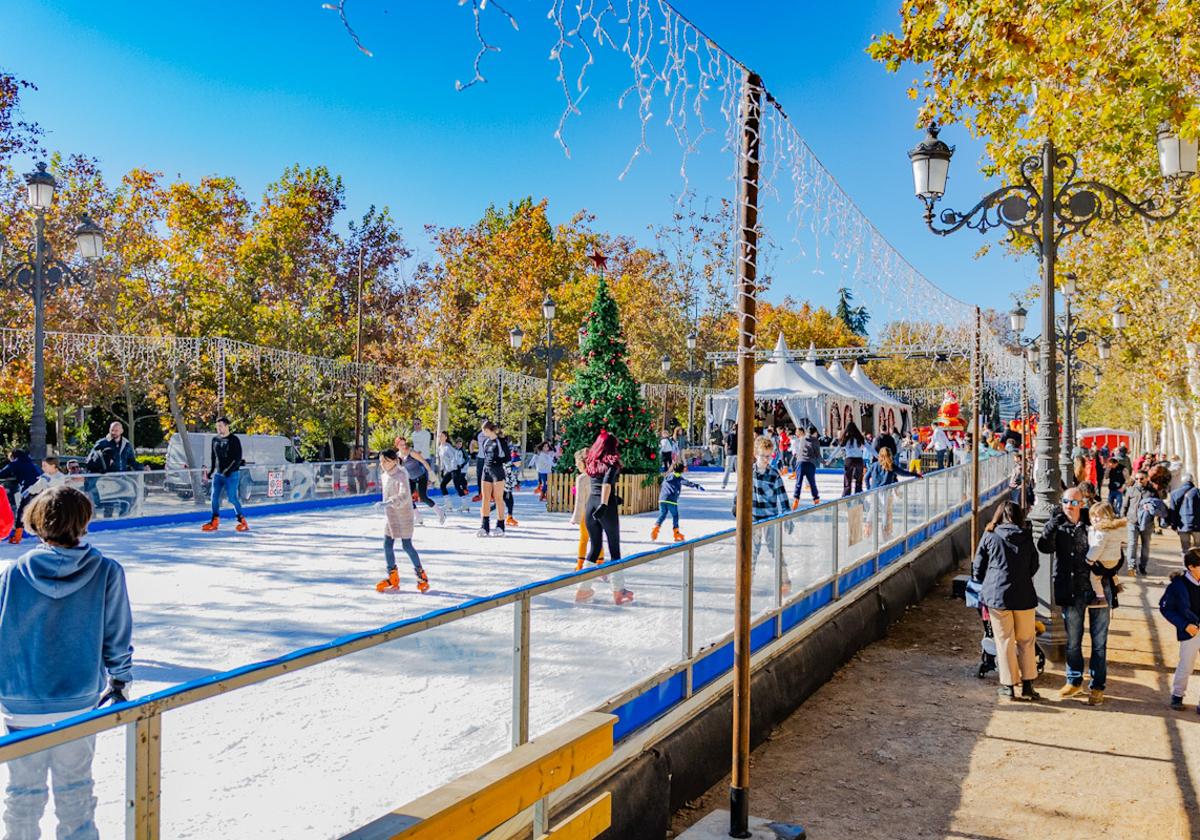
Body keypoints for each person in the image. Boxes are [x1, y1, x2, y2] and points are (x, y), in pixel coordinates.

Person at [0, 485, 133, 839]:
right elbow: (117, 636)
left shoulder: (13, 574)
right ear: (84, 521)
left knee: (22, 796)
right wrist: (119, 682)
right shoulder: (106, 571)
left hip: (21, 702)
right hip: (77, 702)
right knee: (75, 795)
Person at [1039, 486, 1115, 705]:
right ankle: (1073, 681)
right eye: (1065, 502)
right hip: (1071, 589)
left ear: (1083, 503)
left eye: (1074, 502)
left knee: (1099, 641)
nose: (1069, 507)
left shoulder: (1094, 520)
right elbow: (1044, 546)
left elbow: (1113, 549)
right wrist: (1052, 524)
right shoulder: (1057, 523)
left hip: (1098, 588)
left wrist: (1108, 569)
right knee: (1073, 641)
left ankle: (1097, 686)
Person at [973, 501, 1041, 701]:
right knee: (1027, 640)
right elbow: (1034, 565)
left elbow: (978, 567)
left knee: (1004, 641)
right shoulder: (1026, 536)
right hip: (1024, 595)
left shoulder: (990, 535)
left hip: (997, 596)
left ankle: (1008, 686)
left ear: (999, 516)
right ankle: (1028, 684)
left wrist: (985, 579)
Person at [576, 430, 633, 605]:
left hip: (590, 505)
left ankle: (583, 590)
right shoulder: (612, 462)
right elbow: (607, 484)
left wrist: (608, 499)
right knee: (614, 550)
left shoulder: (592, 461)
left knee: (595, 547)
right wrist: (605, 504)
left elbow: (597, 484)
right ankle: (618, 590)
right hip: (604, 507)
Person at [375, 448, 429, 593]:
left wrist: (389, 502)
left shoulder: (401, 474)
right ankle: (392, 576)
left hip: (404, 515)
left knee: (406, 545)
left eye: (386, 461)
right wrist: (386, 505)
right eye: (381, 461)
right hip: (391, 515)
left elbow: (405, 495)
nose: (383, 464)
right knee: (387, 544)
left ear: (394, 461)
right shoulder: (384, 475)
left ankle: (421, 576)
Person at [749, 435, 792, 596]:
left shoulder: (774, 474)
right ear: (755, 454)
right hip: (753, 519)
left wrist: (786, 516)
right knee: (751, 552)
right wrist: (735, 503)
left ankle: (784, 580)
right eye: (763, 456)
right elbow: (740, 491)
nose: (767, 459)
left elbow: (782, 496)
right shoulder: (748, 473)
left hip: (770, 519)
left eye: (769, 456)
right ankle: (748, 581)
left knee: (776, 550)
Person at [1160, 548, 1200, 711]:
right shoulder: (1178, 585)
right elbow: (1166, 608)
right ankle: (1177, 695)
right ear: (1191, 567)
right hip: (1191, 630)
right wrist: (1184, 625)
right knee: (1186, 664)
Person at [201, 417, 249, 533]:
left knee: (232, 498)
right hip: (218, 475)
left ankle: (242, 521)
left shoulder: (234, 440)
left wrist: (228, 470)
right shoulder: (215, 440)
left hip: (232, 474)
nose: (218, 429)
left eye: (220, 426)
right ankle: (214, 520)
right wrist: (211, 471)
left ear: (227, 426)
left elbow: (237, 458)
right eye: (217, 427)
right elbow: (214, 457)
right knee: (214, 497)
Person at [396, 436, 446, 526]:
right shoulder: (397, 456)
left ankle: (440, 513)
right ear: (397, 446)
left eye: (404, 444)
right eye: (401, 445)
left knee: (423, 497)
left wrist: (431, 473)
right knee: (407, 498)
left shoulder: (411, 452)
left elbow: (424, 461)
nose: (404, 446)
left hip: (421, 476)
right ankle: (418, 517)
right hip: (410, 478)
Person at [651, 459, 705, 542]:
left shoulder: (667, 476)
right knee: (675, 516)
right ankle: (676, 533)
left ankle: (655, 528)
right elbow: (687, 483)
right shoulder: (678, 478)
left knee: (662, 514)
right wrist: (696, 486)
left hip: (662, 499)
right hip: (671, 500)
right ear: (681, 471)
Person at [569, 448, 602, 570]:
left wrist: (576, 517)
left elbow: (580, 501)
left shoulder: (582, 479)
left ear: (584, 463)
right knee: (597, 538)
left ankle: (580, 565)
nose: (576, 465)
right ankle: (600, 563)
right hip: (598, 512)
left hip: (586, 514)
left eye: (577, 463)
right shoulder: (599, 475)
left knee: (584, 539)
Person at [0, 449, 42, 545]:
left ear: (13, 456)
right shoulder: (31, 463)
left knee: (22, 512)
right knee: (37, 512)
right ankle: (42, 535)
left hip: (29, 489)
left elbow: (2, 473)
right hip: (40, 488)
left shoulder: (16, 463)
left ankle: (17, 536)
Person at [476, 422, 509, 537]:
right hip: (486, 470)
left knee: (498, 498)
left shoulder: (501, 441)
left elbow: (507, 458)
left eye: (484, 430)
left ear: (489, 429)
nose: (483, 432)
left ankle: (500, 526)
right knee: (485, 498)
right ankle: (484, 526)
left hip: (498, 471)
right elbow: (485, 456)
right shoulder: (485, 442)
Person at [1121, 469, 1154, 575]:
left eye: (1141, 478)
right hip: (1132, 522)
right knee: (1132, 544)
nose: (1139, 481)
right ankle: (1131, 566)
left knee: (1146, 545)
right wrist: (1123, 517)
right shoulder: (1131, 490)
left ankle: (1143, 566)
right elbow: (1125, 505)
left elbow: (1158, 505)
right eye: (1137, 479)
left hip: (1147, 523)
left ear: (1147, 479)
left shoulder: (1152, 491)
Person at [436, 431, 469, 513]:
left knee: (457, 486)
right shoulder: (440, 447)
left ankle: (465, 505)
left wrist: (454, 468)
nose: (440, 437)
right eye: (439, 436)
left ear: (446, 437)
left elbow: (454, 458)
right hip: (450, 470)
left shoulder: (448, 447)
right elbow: (442, 460)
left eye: (442, 436)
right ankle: (448, 504)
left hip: (455, 469)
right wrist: (442, 469)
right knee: (442, 485)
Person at [791, 425, 822, 510]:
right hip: (810, 464)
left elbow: (799, 450)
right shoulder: (815, 440)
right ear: (814, 432)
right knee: (812, 483)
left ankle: (796, 500)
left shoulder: (802, 439)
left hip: (800, 462)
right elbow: (817, 455)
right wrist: (824, 461)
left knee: (798, 483)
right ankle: (816, 500)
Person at [1170, 473, 1200, 554]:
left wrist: (1173, 525)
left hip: (1182, 525)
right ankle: (1198, 565)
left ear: (1182, 482)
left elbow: (1173, 511)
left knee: (1185, 548)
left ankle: (1186, 566)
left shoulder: (1174, 493)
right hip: (1197, 525)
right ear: (1192, 481)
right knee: (1198, 548)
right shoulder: (1198, 492)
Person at [837, 421, 869, 497]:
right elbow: (869, 447)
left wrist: (828, 459)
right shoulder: (859, 438)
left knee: (847, 481)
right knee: (858, 482)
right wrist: (878, 455)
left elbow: (837, 449)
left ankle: (846, 498)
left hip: (849, 460)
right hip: (859, 460)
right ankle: (858, 498)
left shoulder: (846, 439)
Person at [502, 440, 521, 528]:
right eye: (518, 462)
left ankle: (509, 517)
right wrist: (516, 484)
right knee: (509, 502)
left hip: (506, 487)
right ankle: (508, 518)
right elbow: (510, 477)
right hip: (505, 487)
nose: (519, 464)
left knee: (506, 502)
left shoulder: (511, 465)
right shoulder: (509, 466)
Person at [721, 424, 738, 489]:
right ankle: (739, 484)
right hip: (737, 453)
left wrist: (726, 453)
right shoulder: (739, 435)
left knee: (728, 469)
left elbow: (726, 445)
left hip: (730, 453)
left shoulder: (730, 435)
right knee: (738, 469)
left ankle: (724, 484)